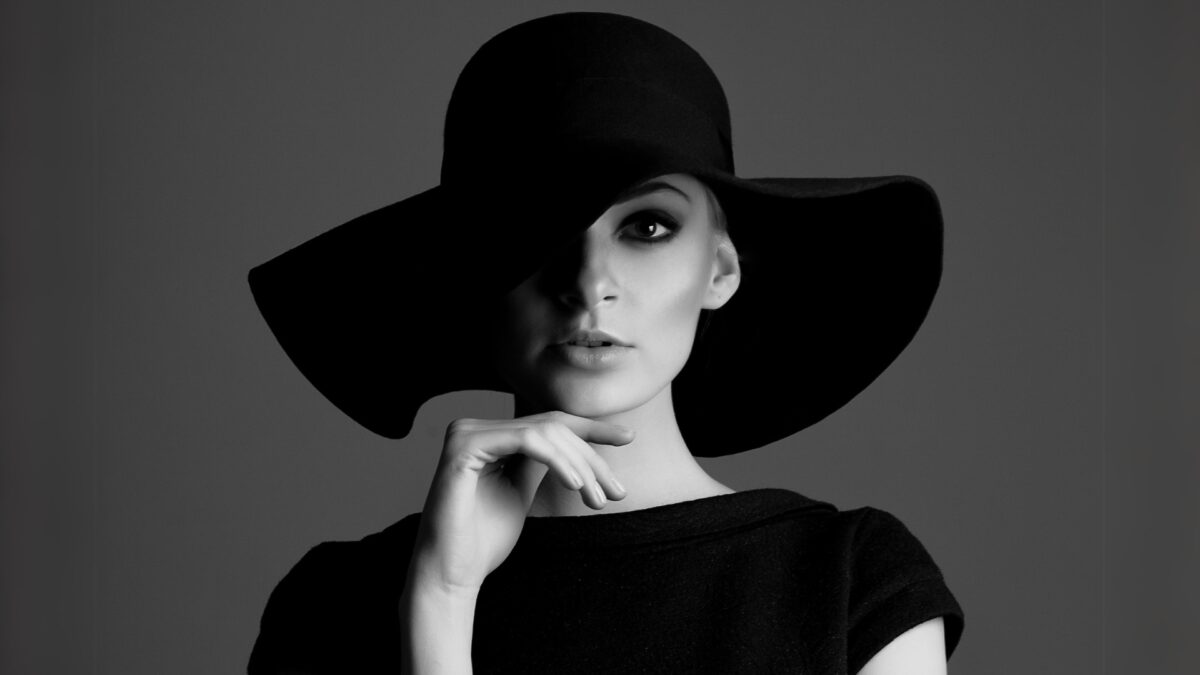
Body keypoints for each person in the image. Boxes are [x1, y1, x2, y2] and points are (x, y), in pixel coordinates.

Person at [245, 11, 964, 674]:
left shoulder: (853, 585)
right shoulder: (331, 608)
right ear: (475, 272)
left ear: (720, 268)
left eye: (646, 226)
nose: (589, 283)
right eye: (536, 226)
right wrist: (439, 600)